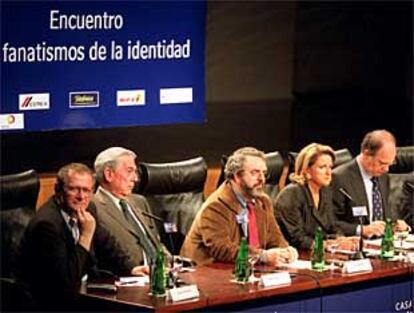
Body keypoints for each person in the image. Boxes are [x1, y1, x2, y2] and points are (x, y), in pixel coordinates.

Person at [15, 163, 146, 310]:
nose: (81, 196)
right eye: (73, 189)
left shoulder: (88, 208)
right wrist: (85, 235)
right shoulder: (47, 224)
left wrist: (132, 268)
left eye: (86, 190)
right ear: (59, 190)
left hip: (82, 296)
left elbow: (108, 245)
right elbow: (67, 282)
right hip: (46, 303)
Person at [180, 147, 298, 266]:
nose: (262, 179)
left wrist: (286, 251)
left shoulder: (263, 202)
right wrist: (263, 256)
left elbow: (275, 239)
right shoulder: (215, 206)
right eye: (254, 173)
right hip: (210, 272)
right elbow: (222, 249)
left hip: (251, 269)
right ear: (237, 176)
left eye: (264, 173)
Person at [93, 147, 168, 268]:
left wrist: (172, 263)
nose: (136, 178)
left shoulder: (139, 201)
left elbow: (156, 243)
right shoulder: (93, 206)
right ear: (109, 174)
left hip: (159, 274)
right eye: (129, 171)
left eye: (135, 172)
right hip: (127, 276)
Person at [275, 143, 358, 250]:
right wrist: (330, 245)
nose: (329, 172)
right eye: (322, 167)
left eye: (330, 167)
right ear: (307, 170)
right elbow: (296, 238)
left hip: (318, 253)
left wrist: (341, 239)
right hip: (296, 255)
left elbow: (331, 226)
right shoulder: (292, 194)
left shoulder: (325, 191)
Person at [332, 129, 410, 237]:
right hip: (354, 246)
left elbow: (380, 216)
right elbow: (329, 223)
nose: (386, 169)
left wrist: (394, 224)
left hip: (381, 245)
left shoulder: (383, 176)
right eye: (382, 163)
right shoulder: (339, 178)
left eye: (390, 164)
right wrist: (362, 229)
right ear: (366, 153)